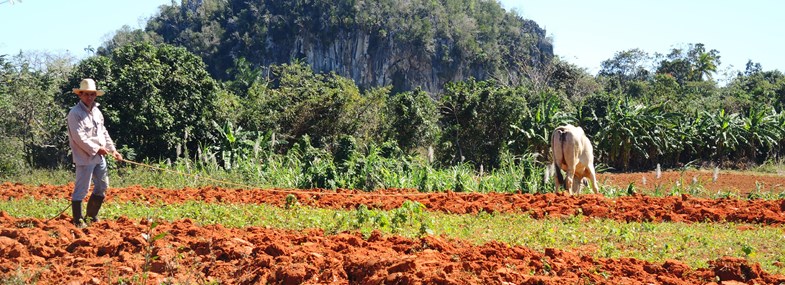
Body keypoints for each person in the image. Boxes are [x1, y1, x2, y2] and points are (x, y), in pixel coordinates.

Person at [66, 78, 122, 227]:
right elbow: (79, 138)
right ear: (80, 95)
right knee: (82, 188)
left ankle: (91, 216)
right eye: (86, 94)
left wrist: (113, 150)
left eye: (92, 94)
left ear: (95, 95)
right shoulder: (75, 114)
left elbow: (103, 132)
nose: (89, 97)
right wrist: (97, 149)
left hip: (100, 156)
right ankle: (78, 220)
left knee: (102, 186)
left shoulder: (97, 111)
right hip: (84, 157)